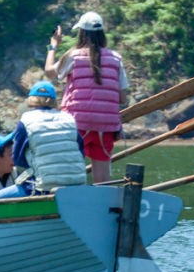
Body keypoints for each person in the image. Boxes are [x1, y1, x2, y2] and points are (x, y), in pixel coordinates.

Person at [45, 10, 131, 182]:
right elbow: (123, 98)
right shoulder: (116, 59)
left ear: (82, 33)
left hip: (77, 124)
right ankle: (101, 198)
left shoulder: (73, 55)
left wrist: (53, 46)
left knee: (72, 174)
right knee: (102, 179)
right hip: (106, 126)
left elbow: (49, 72)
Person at [7, 82, 88, 193]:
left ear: (31, 99)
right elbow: (81, 152)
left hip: (45, 187)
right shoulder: (69, 119)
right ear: (53, 100)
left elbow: (17, 159)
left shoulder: (26, 121)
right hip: (78, 184)